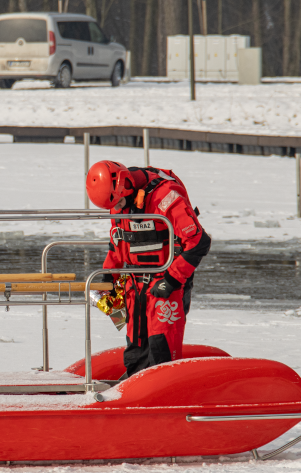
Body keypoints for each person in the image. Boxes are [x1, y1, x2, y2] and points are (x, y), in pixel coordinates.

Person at [85, 160, 211, 378]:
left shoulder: (167, 196)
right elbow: (118, 243)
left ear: (126, 185)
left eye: (120, 201)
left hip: (167, 281)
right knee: (136, 344)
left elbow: (199, 241)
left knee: (161, 344)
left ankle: (165, 386)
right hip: (134, 282)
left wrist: (172, 279)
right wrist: (108, 276)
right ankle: (136, 384)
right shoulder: (117, 201)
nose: (119, 208)